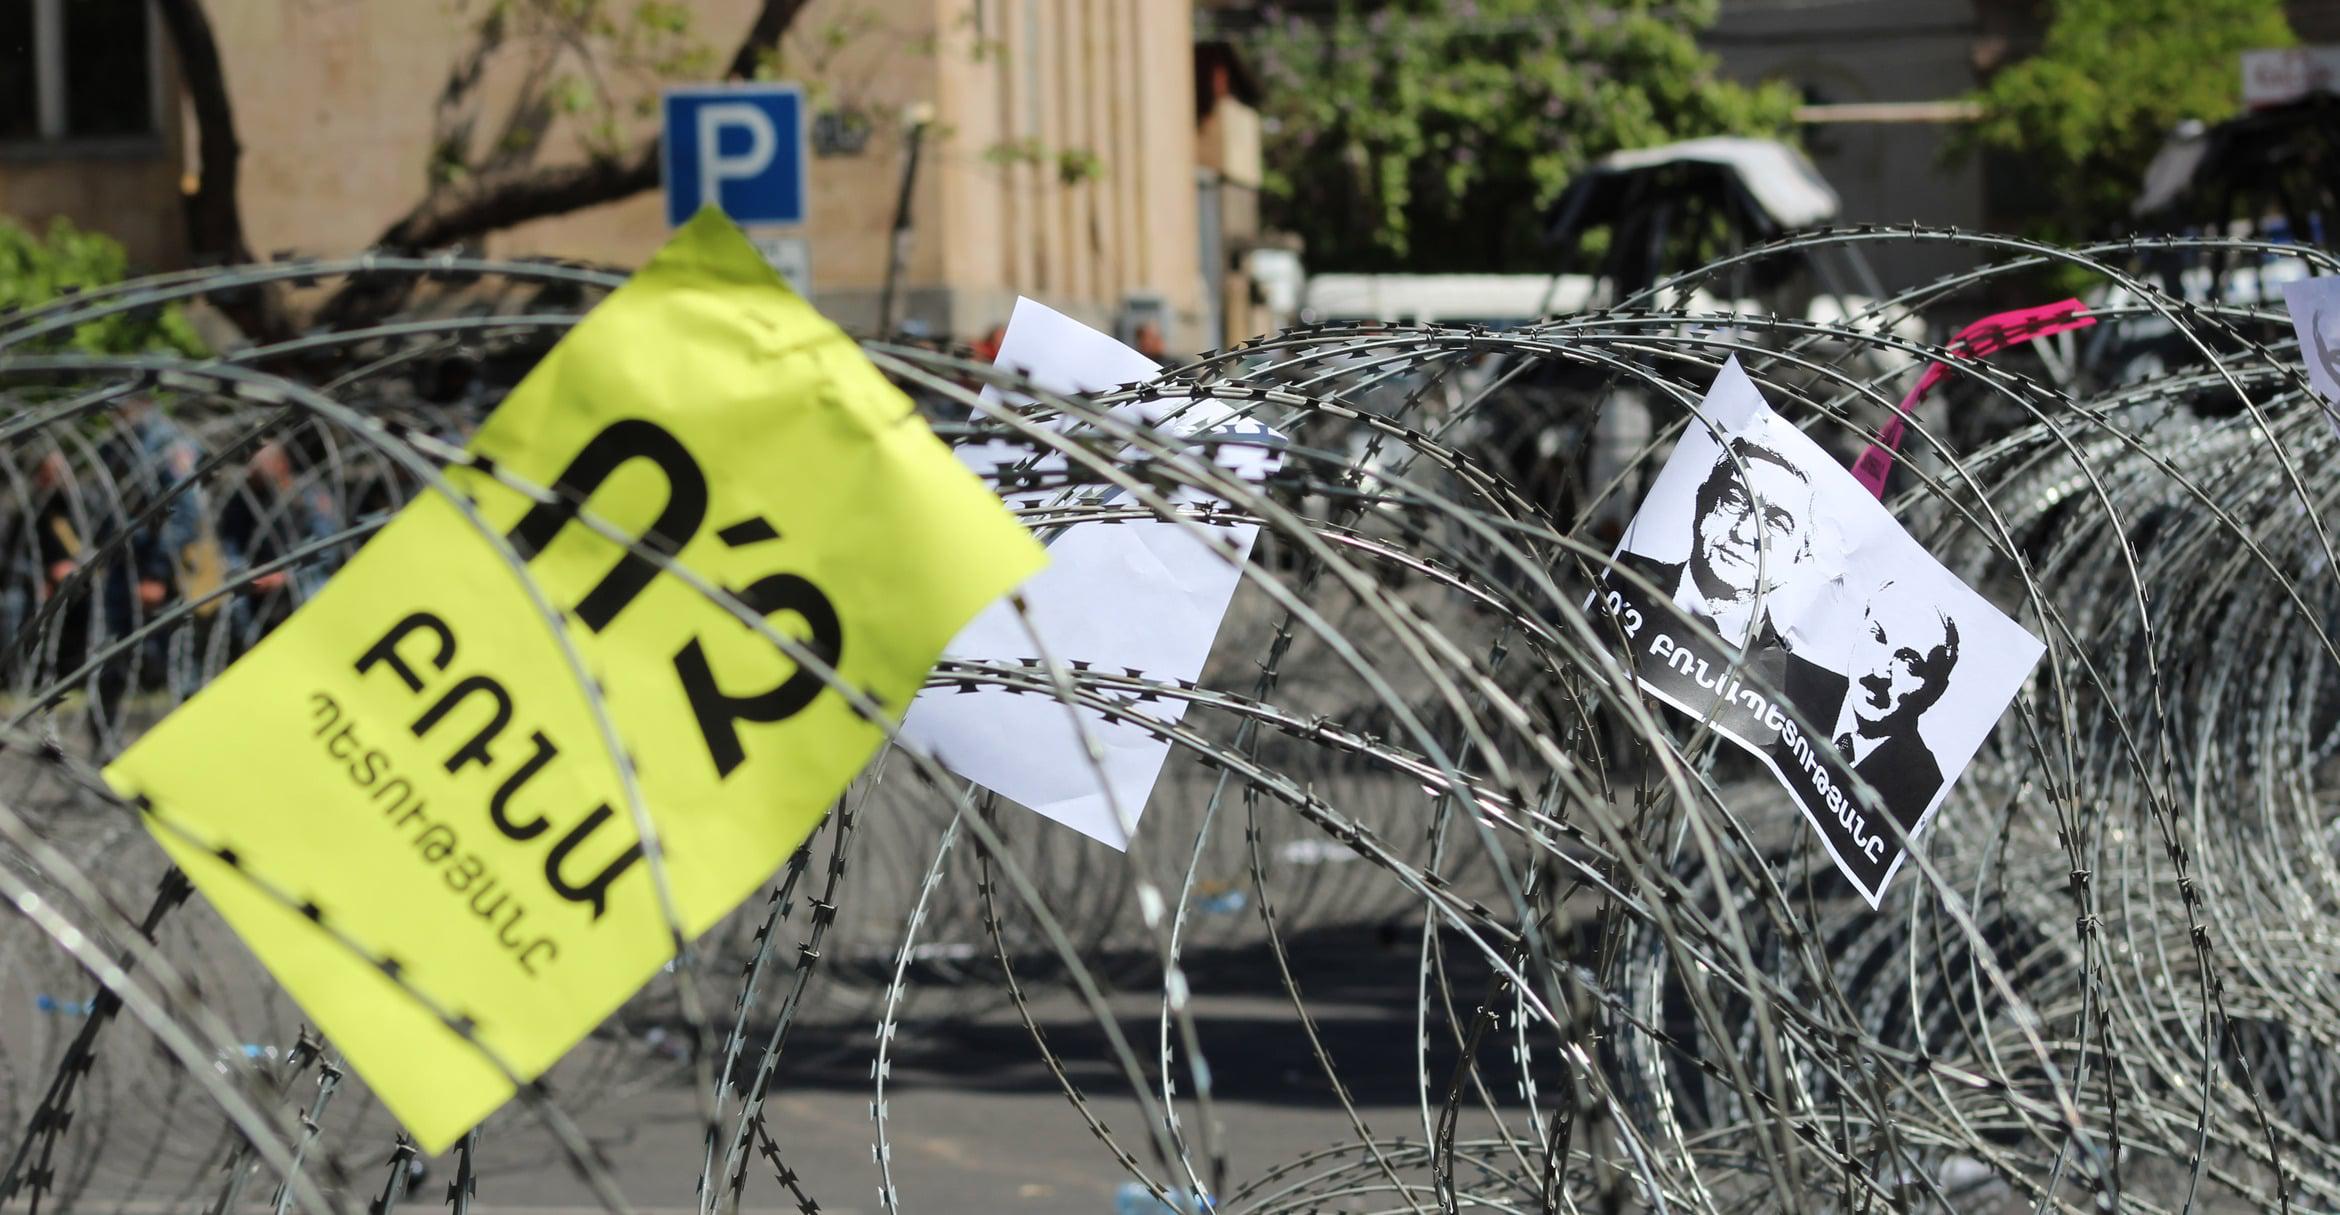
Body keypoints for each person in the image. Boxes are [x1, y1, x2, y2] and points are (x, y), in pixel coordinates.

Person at [1608, 435, 1845, 721]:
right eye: (1734, 499)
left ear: (1801, 555)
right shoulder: (1621, 579)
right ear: (1702, 500)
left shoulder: (1786, 689)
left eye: (1775, 522)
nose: (1743, 532)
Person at [1830, 578, 1959, 830]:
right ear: (1860, 626)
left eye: (1909, 664)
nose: (1880, 672)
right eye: (1877, 636)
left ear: (1934, 692)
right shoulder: (1797, 682)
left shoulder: (1921, 789)